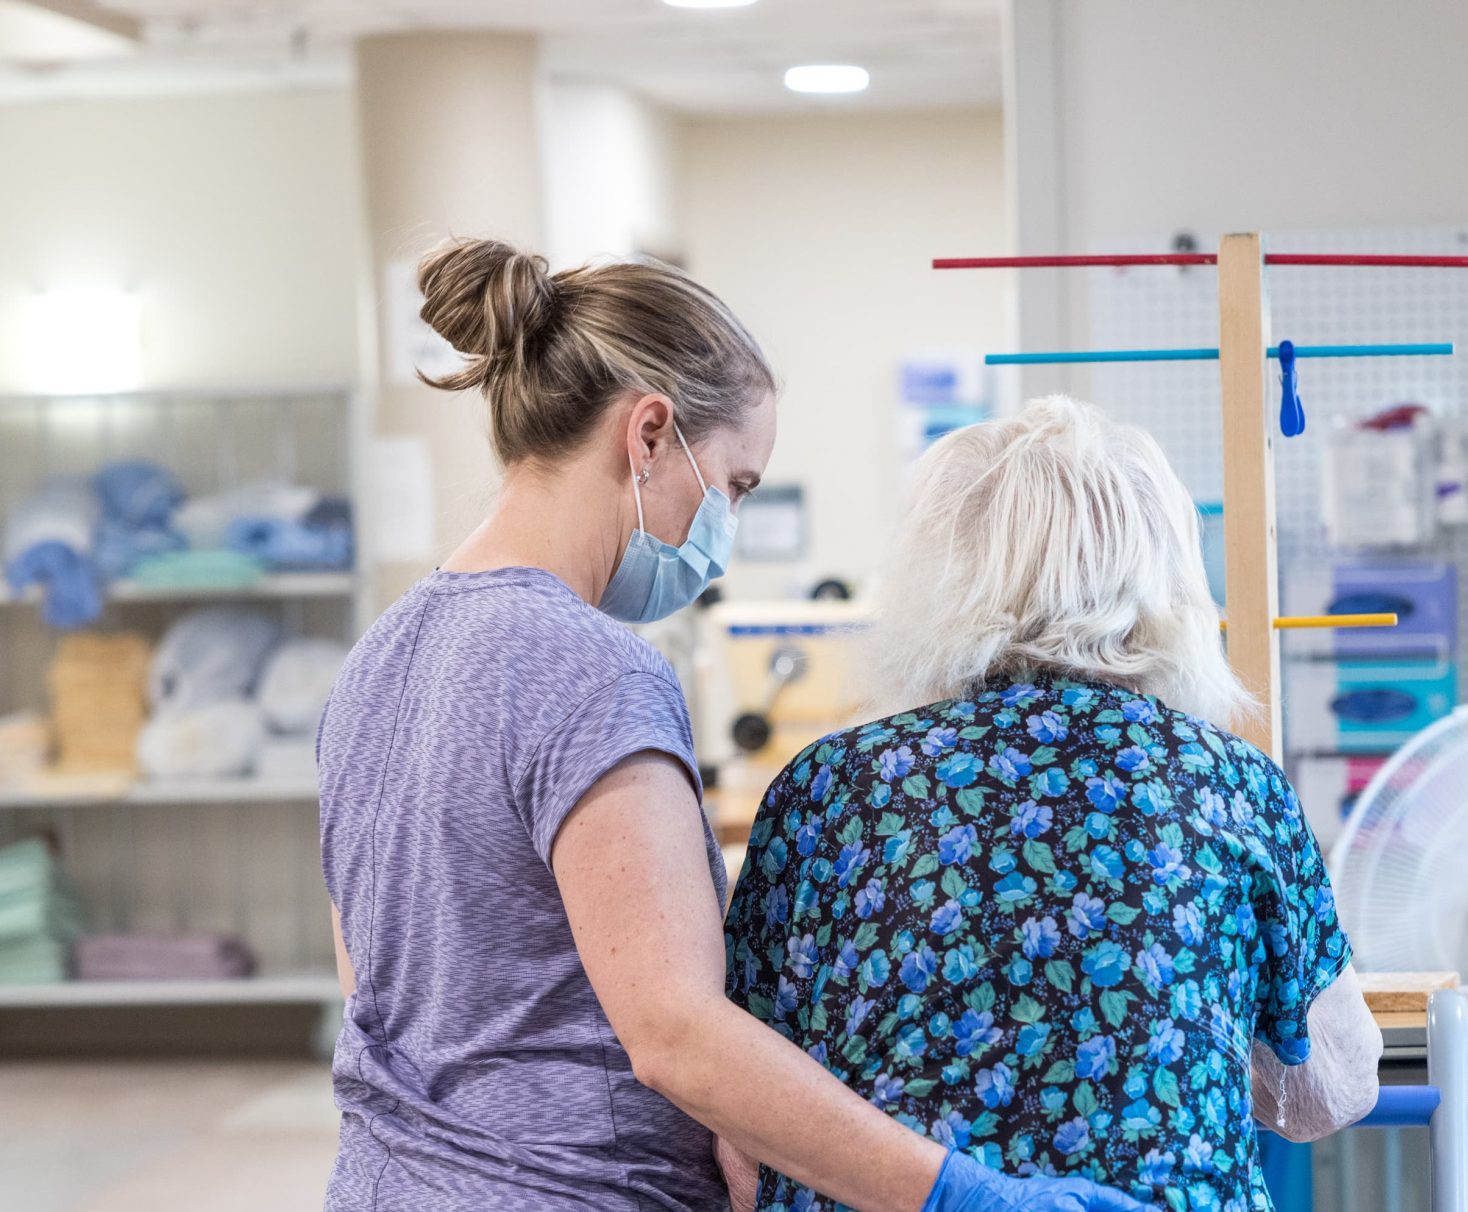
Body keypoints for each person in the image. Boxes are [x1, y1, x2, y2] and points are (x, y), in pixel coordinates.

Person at [318, 240, 1148, 1212]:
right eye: (738, 484)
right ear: (650, 435)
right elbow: (676, 1040)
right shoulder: (591, 670)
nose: (729, 526)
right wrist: (965, 1197)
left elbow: (383, 985)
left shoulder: (378, 656)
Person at [722, 396, 1383, 1212]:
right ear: (1166, 574)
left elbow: (740, 1119)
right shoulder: (1230, 784)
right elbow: (1335, 1089)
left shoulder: (827, 788)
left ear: (938, 575)